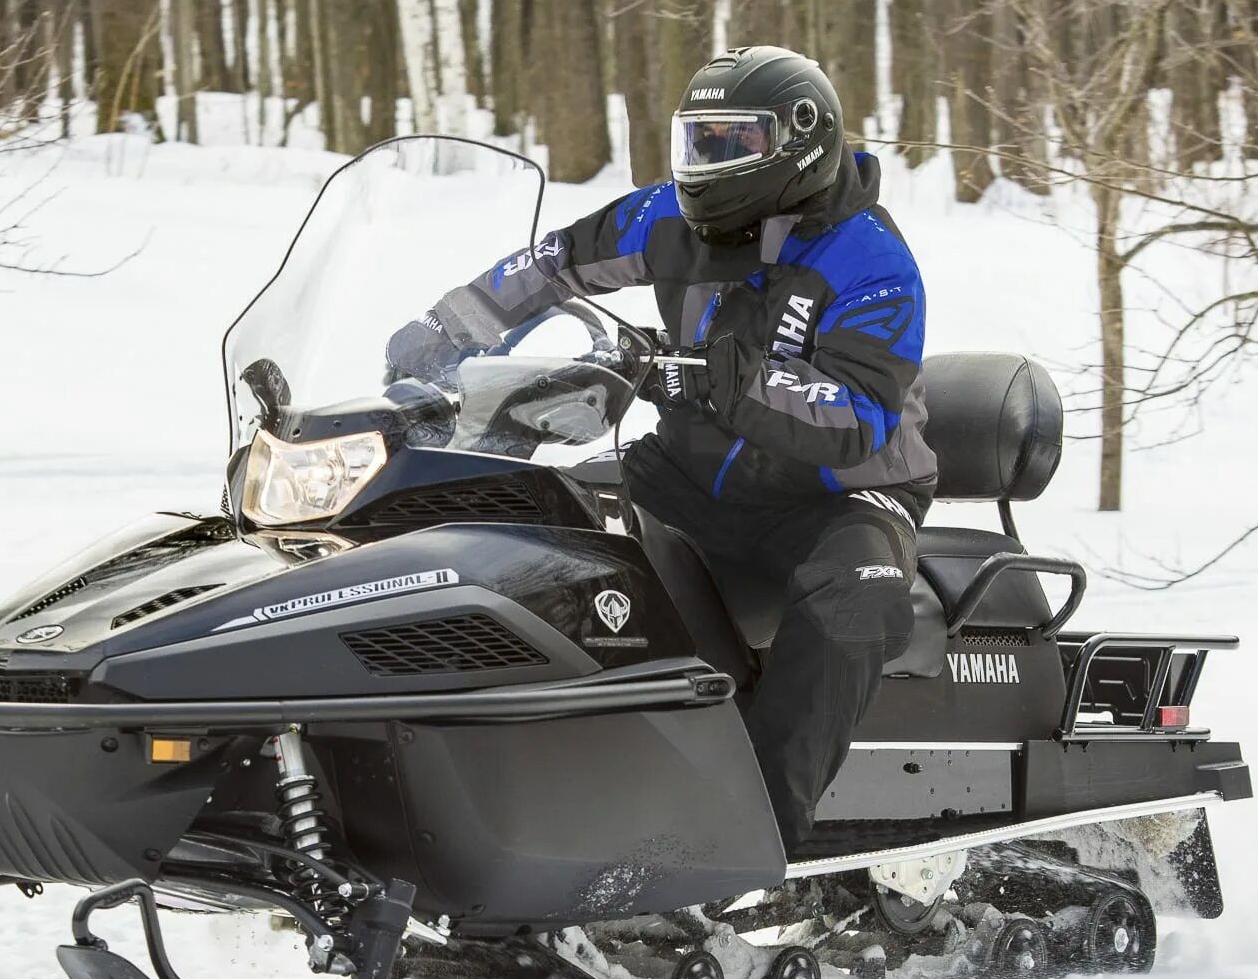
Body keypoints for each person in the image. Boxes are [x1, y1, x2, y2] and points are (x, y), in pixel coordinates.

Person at [384, 45, 936, 851]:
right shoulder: (673, 220)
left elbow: (857, 415)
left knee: (851, 601)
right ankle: (506, 776)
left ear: (800, 142)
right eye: (698, 141)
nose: (706, 163)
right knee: (530, 526)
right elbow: (557, 262)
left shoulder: (872, 260)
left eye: (731, 144)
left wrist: (720, 381)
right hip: (691, 474)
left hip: (838, 493)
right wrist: (449, 328)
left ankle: (757, 836)